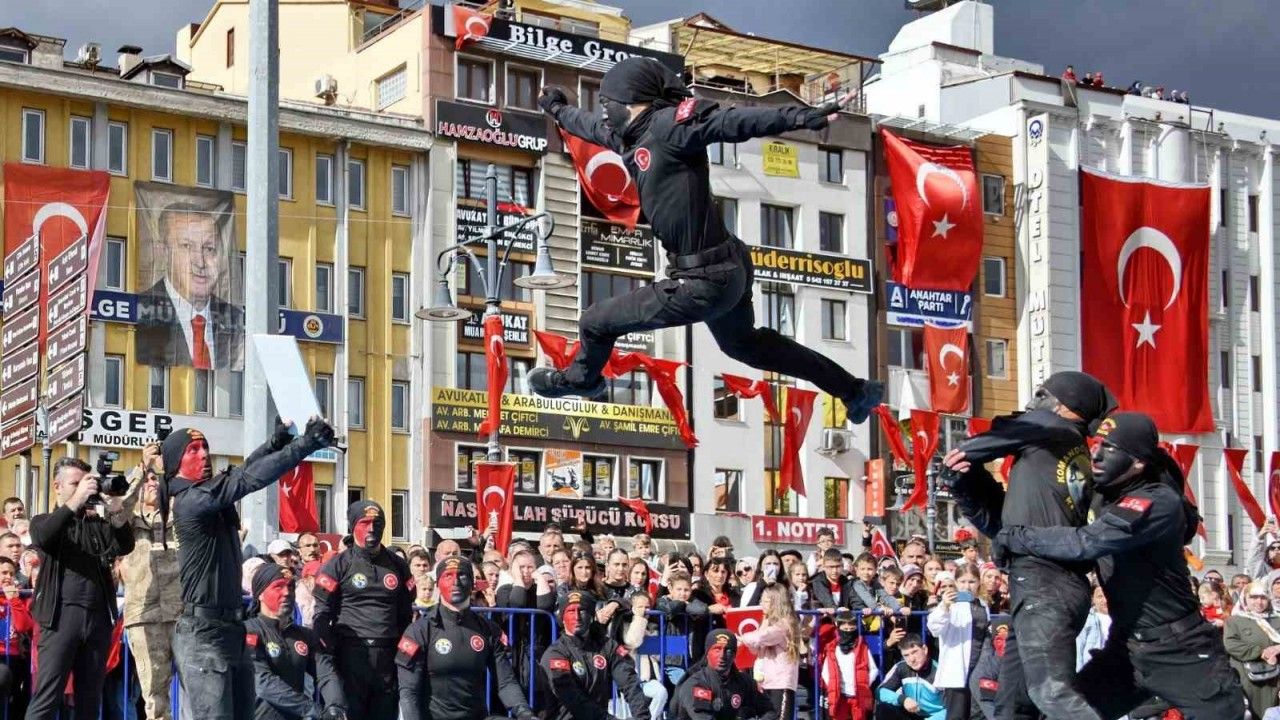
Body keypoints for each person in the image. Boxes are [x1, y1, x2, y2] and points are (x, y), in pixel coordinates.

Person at [532, 58, 883, 422]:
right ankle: (854, 390)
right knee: (743, 345)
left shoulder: (670, 125)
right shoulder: (629, 135)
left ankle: (581, 379)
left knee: (595, 321)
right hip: (726, 265)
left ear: (631, 102)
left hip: (704, 280)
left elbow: (731, 122)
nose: (603, 113)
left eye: (607, 104)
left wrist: (799, 117)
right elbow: (587, 126)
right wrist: (558, 109)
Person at [996, 411, 1243, 719]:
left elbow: (1087, 543)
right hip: (1127, 649)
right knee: (1070, 712)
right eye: (1096, 444)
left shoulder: (1157, 500)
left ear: (1138, 462)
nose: (1096, 455)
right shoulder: (1103, 495)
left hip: (1180, 649)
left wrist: (1016, 538)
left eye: (1110, 449)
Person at [942, 371, 1116, 720]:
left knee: (1050, 694)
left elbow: (967, 449)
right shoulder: (1067, 448)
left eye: (1042, 394)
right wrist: (967, 481)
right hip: (1047, 585)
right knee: (1013, 707)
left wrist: (960, 459)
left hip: (1044, 584)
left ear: (1066, 407)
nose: (1033, 402)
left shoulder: (1049, 427)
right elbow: (1005, 524)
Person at [168, 417, 336, 720]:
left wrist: (276, 442)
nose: (204, 454)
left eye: (205, 446)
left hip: (231, 628)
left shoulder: (208, 493)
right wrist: (306, 444)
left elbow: (243, 471)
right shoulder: (190, 500)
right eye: (193, 450)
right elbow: (247, 480)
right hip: (202, 635)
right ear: (175, 463)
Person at [27, 457, 136, 720]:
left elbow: (125, 545)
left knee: (89, 701)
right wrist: (75, 500)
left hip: (97, 619)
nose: (84, 490)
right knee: (47, 698)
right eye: (75, 484)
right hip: (60, 618)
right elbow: (43, 536)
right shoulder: (44, 520)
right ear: (57, 486)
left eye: (86, 484)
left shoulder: (97, 525)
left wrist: (116, 510)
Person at [397, 558, 536, 720]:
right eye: (448, 576)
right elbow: (408, 692)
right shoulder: (419, 630)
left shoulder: (488, 630)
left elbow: (506, 682)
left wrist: (525, 713)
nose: (455, 581)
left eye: (462, 575)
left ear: (473, 584)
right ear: (437, 585)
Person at [313, 500, 414, 720]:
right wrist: (327, 650)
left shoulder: (399, 566)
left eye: (377, 523)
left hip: (388, 656)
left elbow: (406, 614)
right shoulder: (337, 564)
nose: (371, 529)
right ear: (353, 526)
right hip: (350, 654)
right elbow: (322, 613)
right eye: (365, 523)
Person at [136, 202, 245, 368]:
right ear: (164, 252)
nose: (200, 262)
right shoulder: (139, 314)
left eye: (209, 249)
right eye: (186, 247)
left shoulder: (238, 323)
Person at [119, 442, 181, 720]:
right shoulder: (128, 522)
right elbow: (119, 505)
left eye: (157, 480)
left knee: (197, 686)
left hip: (182, 613)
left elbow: (190, 494)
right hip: (144, 615)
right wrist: (143, 469)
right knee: (155, 696)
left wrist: (166, 472)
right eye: (149, 481)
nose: (153, 483)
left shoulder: (179, 516)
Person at [243, 562, 344, 719]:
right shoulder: (248, 632)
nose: (287, 593)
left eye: (290, 586)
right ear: (260, 594)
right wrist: (314, 710)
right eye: (278, 586)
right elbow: (262, 683)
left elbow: (326, 673)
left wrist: (335, 707)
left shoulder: (304, 635)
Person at [540, 591, 649, 720]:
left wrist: (642, 716)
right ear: (562, 618)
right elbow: (572, 699)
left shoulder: (607, 645)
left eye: (582, 611)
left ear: (592, 616)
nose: (577, 617)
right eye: (570, 612)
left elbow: (629, 681)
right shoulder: (555, 653)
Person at [927, 565, 988, 720]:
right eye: (962, 581)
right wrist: (944, 606)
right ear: (956, 582)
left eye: (972, 581)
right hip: (958, 670)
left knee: (978, 715)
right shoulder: (950, 603)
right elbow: (934, 628)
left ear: (979, 582)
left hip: (979, 668)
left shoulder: (983, 604)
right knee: (957, 715)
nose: (967, 586)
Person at [668, 629, 774, 720]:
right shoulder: (696, 684)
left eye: (728, 650)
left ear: (734, 655)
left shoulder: (745, 682)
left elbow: (770, 712)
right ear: (707, 653)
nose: (722, 656)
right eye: (717, 649)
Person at [738, 584, 803, 720]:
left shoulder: (785, 623)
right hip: (766, 681)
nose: (762, 603)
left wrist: (742, 638)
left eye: (766, 601)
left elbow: (762, 637)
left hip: (781, 682)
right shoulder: (767, 622)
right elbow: (755, 648)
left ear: (776, 602)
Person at [1226, 583, 1280, 720]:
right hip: (1248, 678)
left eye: (1263, 597)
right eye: (1253, 597)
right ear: (1245, 598)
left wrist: (1277, 649)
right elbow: (1231, 644)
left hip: (1276, 679)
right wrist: (1261, 652)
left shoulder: (1276, 619)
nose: (1259, 602)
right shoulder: (1235, 621)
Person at [818, 609, 879, 720]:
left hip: (858, 695)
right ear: (838, 627)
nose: (848, 631)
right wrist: (833, 685)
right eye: (845, 629)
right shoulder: (832, 648)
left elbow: (873, 669)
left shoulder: (862, 647)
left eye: (852, 629)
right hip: (839, 696)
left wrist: (864, 682)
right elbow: (825, 672)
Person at [875, 634, 944, 720]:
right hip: (910, 714)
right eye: (906, 655)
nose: (911, 659)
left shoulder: (940, 672)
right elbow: (880, 691)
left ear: (925, 649)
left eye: (914, 652)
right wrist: (903, 700)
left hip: (935, 717)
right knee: (883, 708)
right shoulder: (901, 667)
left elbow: (952, 708)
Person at [1077, 584, 1112, 670]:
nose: (1105, 600)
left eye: (1107, 595)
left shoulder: (1120, 620)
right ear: (1093, 599)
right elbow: (1078, 649)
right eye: (1100, 596)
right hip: (1093, 671)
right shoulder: (1087, 619)